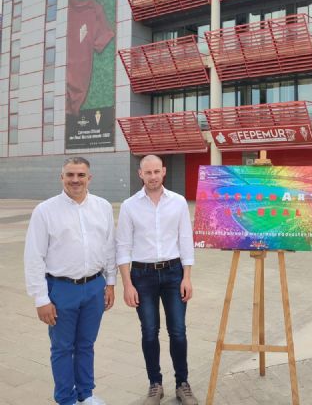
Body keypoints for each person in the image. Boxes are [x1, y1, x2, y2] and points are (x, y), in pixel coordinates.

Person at [24, 157, 116, 405]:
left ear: (90, 178)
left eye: (81, 175)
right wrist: (41, 299)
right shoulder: (45, 211)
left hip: (95, 287)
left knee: (86, 344)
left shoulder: (103, 207)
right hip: (61, 288)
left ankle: (85, 394)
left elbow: (109, 248)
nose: (75, 180)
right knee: (63, 347)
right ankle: (66, 399)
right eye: (70, 175)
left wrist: (110, 283)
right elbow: (34, 256)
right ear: (61, 177)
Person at [116, 155, 198, 405]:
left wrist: (187, 277)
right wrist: (127, 284)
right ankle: (155, 384)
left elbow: (186, 240)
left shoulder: (178, 202)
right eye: (147, 172)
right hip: (142, 276)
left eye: (156, 171)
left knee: (178, 332)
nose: (152, 176)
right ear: (140, 174)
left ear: (163, 172)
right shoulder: (129, 206)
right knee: (149, 332)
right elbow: (123, 247)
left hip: (174, 274)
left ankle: (182, 383)